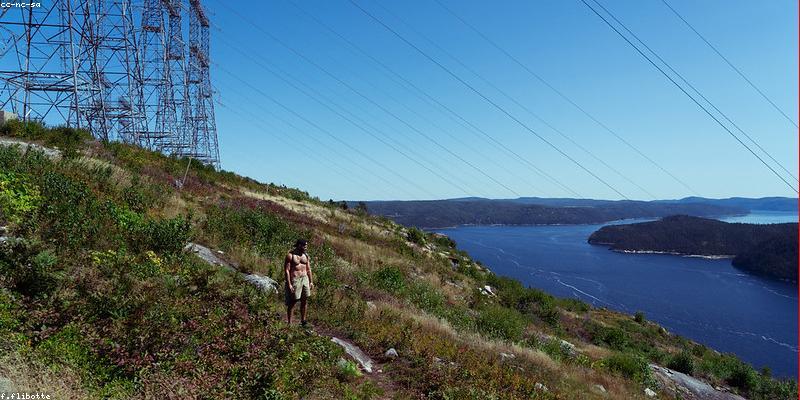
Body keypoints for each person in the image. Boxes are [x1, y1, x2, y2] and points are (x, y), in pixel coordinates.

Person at [284, 239, 313, 326]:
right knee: (293, 301)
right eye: (304, 246)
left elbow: (308, 269)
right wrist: (289, 283)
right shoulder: (290, 255)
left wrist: (311, 281)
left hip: (305, 279)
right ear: (299, 245)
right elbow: (287, 270)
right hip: (295, 279)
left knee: (304, 300)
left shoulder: (306, 255)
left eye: (306, 246)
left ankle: (303, 321)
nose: (306, 248)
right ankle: (289, 322)